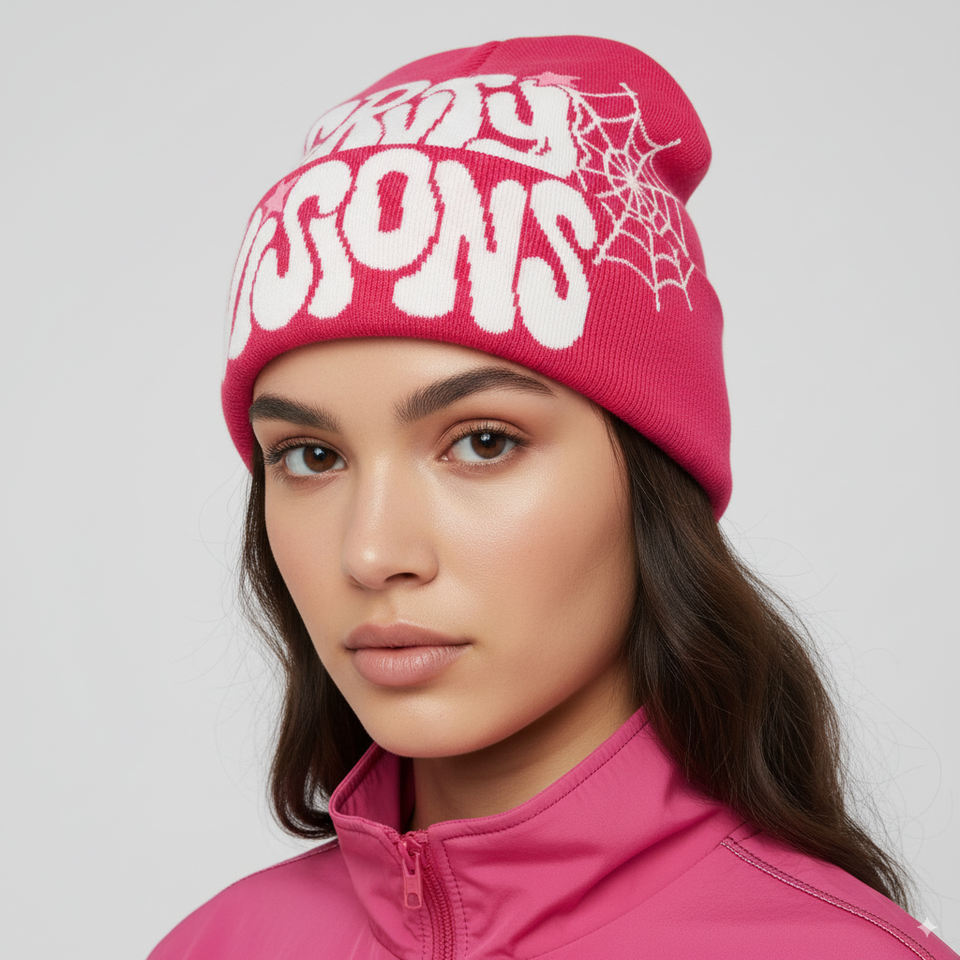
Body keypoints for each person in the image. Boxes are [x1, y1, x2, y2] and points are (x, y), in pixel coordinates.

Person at [148, 35, 958, 960]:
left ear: (654, 481)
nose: (370, 553)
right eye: (311, 456)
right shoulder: (220, 944)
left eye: (483, 442)